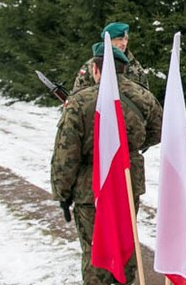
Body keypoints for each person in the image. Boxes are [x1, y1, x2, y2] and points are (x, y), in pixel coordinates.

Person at [51, 42, 163, 284]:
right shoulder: (143, 96)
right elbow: (158, 131)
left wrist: (62, 193)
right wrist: (133, 148)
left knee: (96, 249)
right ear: (123, 69)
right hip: (127, 181)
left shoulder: (80, 101)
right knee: (125, 239)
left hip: (91, 186)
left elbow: (66, 154)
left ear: (95, 69)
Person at [72, 22, 149, 93]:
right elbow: (79, 94)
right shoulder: (92, 65)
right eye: (120, 39)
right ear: (108, 40)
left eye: (126, 39)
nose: (124, 43)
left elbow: (145, 94)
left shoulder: (134, 65)